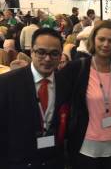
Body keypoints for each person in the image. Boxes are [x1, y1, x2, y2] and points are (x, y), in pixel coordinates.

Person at [60, 20, 111, 169]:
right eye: (101, 39)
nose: (106, 44)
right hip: (85, 145)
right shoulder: (77, 68)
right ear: (93, 39)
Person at [0, 28, 69, 169]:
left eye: (54, 53)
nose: (48, 59)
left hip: (54, 162)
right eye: (41, 52)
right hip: (18, 162)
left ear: (61, 55)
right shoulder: (7, 84)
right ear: (31, 51)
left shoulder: (66, 83)